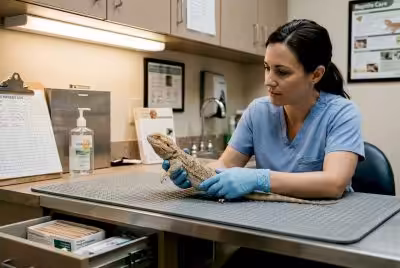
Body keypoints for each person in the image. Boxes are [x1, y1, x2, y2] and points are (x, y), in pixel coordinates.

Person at [163, 19, 364, 267]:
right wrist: (192, 174)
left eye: (282, 72)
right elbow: (225, 166)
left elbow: (333, 184)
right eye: (267, 67)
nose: (269, 80)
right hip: (270, 232)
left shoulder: (342, 113)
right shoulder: (258, 111)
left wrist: (259, 179)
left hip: (326, 237)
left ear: (316, 74)